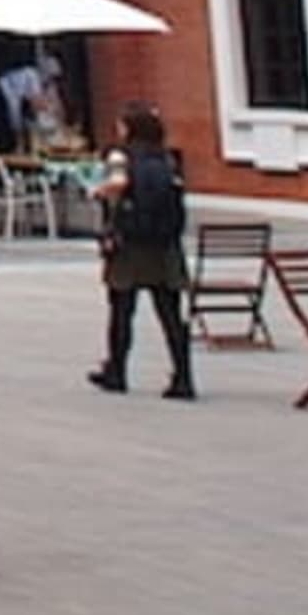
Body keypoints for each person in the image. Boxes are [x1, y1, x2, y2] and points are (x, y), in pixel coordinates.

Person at [91, 102, 193, 400]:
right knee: (170, 313)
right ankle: (183, 375)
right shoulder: (168, 158)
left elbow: (118, 183)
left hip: (130, 244)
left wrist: (99, 191)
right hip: (165, 245)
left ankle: (117, 371)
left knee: (122, 310)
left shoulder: (121, 155)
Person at [0, 54, 65, 149]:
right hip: (8, 85)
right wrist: (49, 109)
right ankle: (19, 144)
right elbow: (36, 101)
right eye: (52, 77)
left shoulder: (48, 82)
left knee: (41, 116)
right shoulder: (32, 75)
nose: (53, 80)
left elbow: (55, 100)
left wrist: (58, 113)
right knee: (15, 112)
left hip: (23, 92)